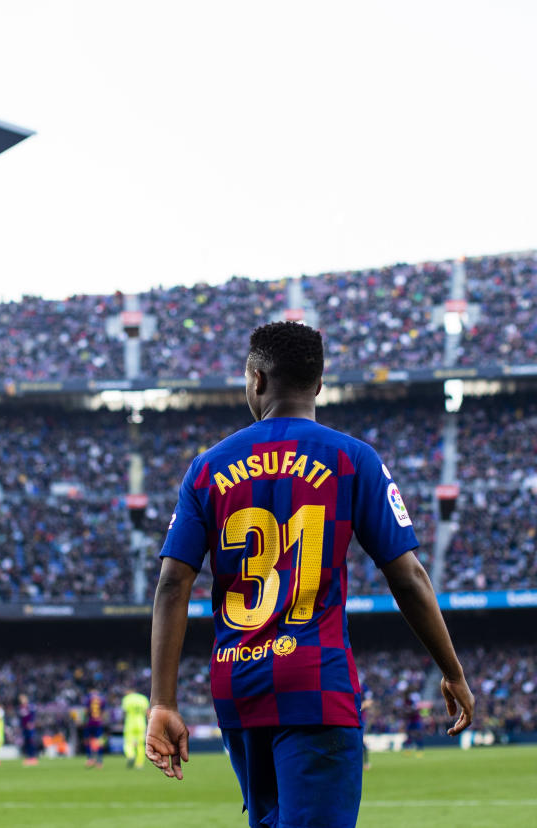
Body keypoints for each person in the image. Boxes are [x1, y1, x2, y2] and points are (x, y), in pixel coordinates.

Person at [147, 321, 474, 828]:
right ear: (318, 384)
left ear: (256, 379)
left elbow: (172, 583)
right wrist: (452, 671)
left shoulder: (207, 468)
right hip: (315, 684)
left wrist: (162, 702)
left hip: (238, 684)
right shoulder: (353, 459)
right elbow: (407, 574)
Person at [120, 688, 149, 769]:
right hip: (141, 723)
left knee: (129, 742)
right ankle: (139, 764)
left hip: (130, 723)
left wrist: (121, 722)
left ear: (129, 691)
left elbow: (124, 712)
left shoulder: (127, 699)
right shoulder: (143, 698)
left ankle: (131, 755)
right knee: (140, 744)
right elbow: (147, 712)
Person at [83, 688, 106, 768]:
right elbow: (103, 712)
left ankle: (90, 758)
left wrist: (83, 720)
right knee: (99, 741)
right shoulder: (102, 698)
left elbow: (86, 711)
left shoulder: (88, 698)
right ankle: (99, 761)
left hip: (89, 722)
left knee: (87, 740)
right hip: (98, 723)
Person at [18, 693, 39, 766]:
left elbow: (32, 716)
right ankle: (29, 757)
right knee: (27, 742)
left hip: (29, 727)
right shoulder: (21, 708)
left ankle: (33, 757)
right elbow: (22, 719)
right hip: (24, 728)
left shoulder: (30, 707)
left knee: (31, 742)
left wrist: (31, 723)